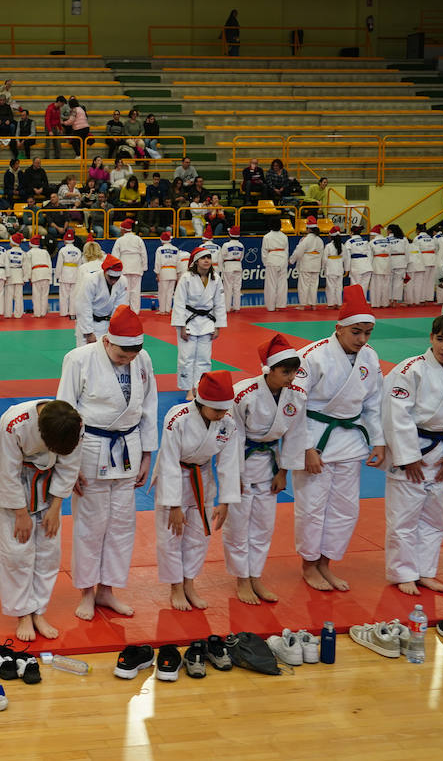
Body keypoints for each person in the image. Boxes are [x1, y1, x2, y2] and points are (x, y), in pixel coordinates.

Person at [56, 306, 157, 621]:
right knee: (90, 525)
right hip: (90, 447)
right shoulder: (79, 359)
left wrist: (147, 454)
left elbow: (149, 407)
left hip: (129, 445)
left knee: (122, 525)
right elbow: (64, 412)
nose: (128, 359)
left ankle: (107, 590)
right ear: (107, 340)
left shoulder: (142, 359)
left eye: (133, 354)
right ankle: (86, 591)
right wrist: (67, 464)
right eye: (122, 353)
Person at [293, 286, 385, 592]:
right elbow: (295, 406)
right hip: (316, 438)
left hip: (351, 441)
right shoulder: (311, 356)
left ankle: (326, 563)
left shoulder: (369, 358)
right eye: (356, 332)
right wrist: (305, 447)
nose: (362, 339)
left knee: (346, 507)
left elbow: (373, 403)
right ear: (339, 328)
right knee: (312, 506)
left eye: (368, 333)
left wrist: (379, 440)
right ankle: (308, 564)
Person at [380, 313, 443, 597]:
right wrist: (407, 455)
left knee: (434, 518)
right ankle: (404, 573)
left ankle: (425, 572)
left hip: (442, 453)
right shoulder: (410, 369)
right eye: (440, 339)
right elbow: (395, 414)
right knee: (404, 517)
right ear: (431, 337)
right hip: (413, 449)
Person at [225, 334, 308, 606]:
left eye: (294, 372)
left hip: (270, 465)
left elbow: (295, 436)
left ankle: (256, 575)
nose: (291, 378)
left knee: (263, 525)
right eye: (285, 372)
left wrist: (284, 472)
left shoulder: (297, 396)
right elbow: (232, 437)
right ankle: (242, 578)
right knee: (238, 525)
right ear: (269, 370)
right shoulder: (242, 393)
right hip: (243, 461)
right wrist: (233, 475)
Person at [0, 398, 83, 642]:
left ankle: (38, 611)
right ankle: (23, 613)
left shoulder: (74, 423)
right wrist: (21, 514)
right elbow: (6, 471)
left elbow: (69, 465)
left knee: (49, 552)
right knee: (16, 553)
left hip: (49, 484)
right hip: (18, 484)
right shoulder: (14, 423)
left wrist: (56, 507)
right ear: (41, 433)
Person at [152, 370, 240, 612]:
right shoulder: (178, 418)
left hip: (202, 477)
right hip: (175, 477)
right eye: (217, 410)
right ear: (201, 403)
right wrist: (173, 505)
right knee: (171, 536)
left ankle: (189, 583)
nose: (222, 415)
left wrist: (226, 500)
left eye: (225, 410)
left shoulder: (227, 422)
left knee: (199, 536)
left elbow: (229, 461)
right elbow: (168, 460)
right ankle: (175, 586)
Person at [172, 247, 226, 399]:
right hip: (188, 320)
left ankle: (200, 387)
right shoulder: (186, 278)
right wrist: (181, 326)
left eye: (208, 258)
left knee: (204, 358)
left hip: (207, 321)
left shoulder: (215, 278)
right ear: (196, 262)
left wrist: (218, 326)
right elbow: (179, 303)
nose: (207, 261)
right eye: (203, 258)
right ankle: (188, 388)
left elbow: (219, 303)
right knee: (186, 357)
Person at [74, 254, 129, 348]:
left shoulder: (122, 281)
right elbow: (83, 306)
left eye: (117, 278)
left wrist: (114, 328)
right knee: (85, 356)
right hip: (89, 322)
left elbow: (119, 308)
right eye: (111, 277)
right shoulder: (90, 280)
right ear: (105, 272)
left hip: (107, 324)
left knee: (106, 357)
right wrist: (88, 332)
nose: (114, 281)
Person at [113, 219, 147, 312]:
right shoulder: (138, 239)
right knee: (135, 291)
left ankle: (125, 311)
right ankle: (135, 311)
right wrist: (144, 267)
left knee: (125, 291)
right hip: (136, 267)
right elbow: (143, 254)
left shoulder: (119, 240)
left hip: (124, 267)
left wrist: (116, 269)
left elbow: (115, 256)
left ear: (123, 230)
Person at [290, 218, 324, 309]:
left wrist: (291, 260)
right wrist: (322, 266)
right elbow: (322, 255)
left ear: (308, 229)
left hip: (306, 264)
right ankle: (313, 305)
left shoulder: (305, 239)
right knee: (314, 285)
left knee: (304, 285)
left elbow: (298, 251)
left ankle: (302, 305)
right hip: (316, 265)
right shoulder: (320, 240)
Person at [260, 225, 288, 312]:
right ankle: (281, 305)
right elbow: (287, 250)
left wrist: (265, 262)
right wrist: (285, 260)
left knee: (271, 284)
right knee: (282, 283)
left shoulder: (267, 236)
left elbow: (264, 251)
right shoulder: (284, 236)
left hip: (272, 259)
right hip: (283, 258)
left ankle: (271, 307)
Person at [152, 230, 180, 314]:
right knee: (170, 292)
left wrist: (157, 273)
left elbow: (157, 262)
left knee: (162, 292)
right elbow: (178, 262)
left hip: (164, 271)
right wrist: (177, 273)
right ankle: (168, 310)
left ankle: (162, 310)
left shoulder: (160, 249)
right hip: (173, 271)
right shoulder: (176, 249)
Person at [25, 235, 53, 317]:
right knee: (44, 294)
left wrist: (29, 277)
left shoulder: (29, 253)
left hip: (36, 273)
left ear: (30, 244)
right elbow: (49, 264)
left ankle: (37, 313)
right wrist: (49, 276)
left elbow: (28, 265)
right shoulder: (45, 252)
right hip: (46, 273)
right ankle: (43, 313)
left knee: (36, 294)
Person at [53, 235, 81, 318]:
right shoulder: (78, 250)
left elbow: (59, 263)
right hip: (75, 273)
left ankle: (63, 313)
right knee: (74, 295)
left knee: (64, 294)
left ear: (65, 240)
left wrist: (57, 275)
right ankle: (73, 312)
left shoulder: (63, 250)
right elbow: (80, 264)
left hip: (65, 272)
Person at [346, 227, 373, 297]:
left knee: (355, 285)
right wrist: (369, 264)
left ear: (351, 232)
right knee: (365, 285)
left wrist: (347, 268)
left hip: (356, 264)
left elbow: (347, 256)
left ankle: (356, 302)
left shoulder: (349, 241)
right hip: (367, 264)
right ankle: (363, 301)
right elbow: (370, 255)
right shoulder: (365, 241)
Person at [4, 233, 26, 318]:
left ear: (13, 243)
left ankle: (8, 314)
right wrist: (24, 278)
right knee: (19, 296)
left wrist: (6, 276)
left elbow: (6, 265)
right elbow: (25, 266)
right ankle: (18, 314)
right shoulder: (23, 253)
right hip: (19, 274)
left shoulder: (8, 252)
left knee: (8, 296)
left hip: (10, 275)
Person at [324, 231, 346, 309]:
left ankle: (331, 304)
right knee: (339, 286)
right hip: (339, 268)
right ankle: (339, 304)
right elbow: (344, 258)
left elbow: (324, 259)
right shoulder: (342, 246)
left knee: (330, 286)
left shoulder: (328, 246)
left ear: (331, 237)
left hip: (331, 268)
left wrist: (323, 267)